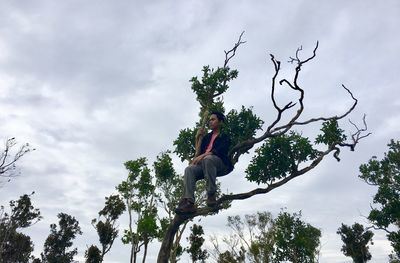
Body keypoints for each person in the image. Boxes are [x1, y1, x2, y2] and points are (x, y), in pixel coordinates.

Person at [175, 111, 233, 214]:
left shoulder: (224, 135)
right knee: (189, 169)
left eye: (213, 119)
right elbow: (197, 154)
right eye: (209, 120)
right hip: (205, 164)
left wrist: (204, 155)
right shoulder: (207, 137)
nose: (210, 122)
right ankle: (189, 202)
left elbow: (219, 151)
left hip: (220, 164)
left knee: (208, 159)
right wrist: (197, 138)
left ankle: (211, 194)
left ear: (219, 122)